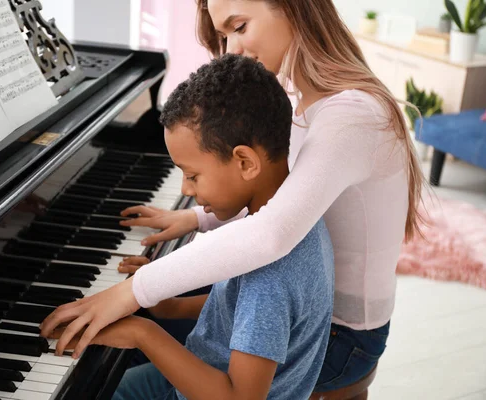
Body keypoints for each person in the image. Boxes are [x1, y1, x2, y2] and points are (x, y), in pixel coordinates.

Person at [40, 0, 424, 391]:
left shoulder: (351, 116)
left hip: (339, 337)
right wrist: (197, 217)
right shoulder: (310, 100)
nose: (231, 51)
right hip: (302, 305)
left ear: (294, 9)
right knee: (153, 317)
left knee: (125, 346)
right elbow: (286, 196)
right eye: (224, 36)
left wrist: (132, 292)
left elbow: (272, 234)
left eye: (239, 27)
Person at [52, 53, 335, 400]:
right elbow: (242, 311)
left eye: (192, 175)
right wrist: (169, 306)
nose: (186, 189)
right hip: (201, 374)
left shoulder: (269, 278)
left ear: (245, 162)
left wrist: (144, 332)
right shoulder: (295, 213)